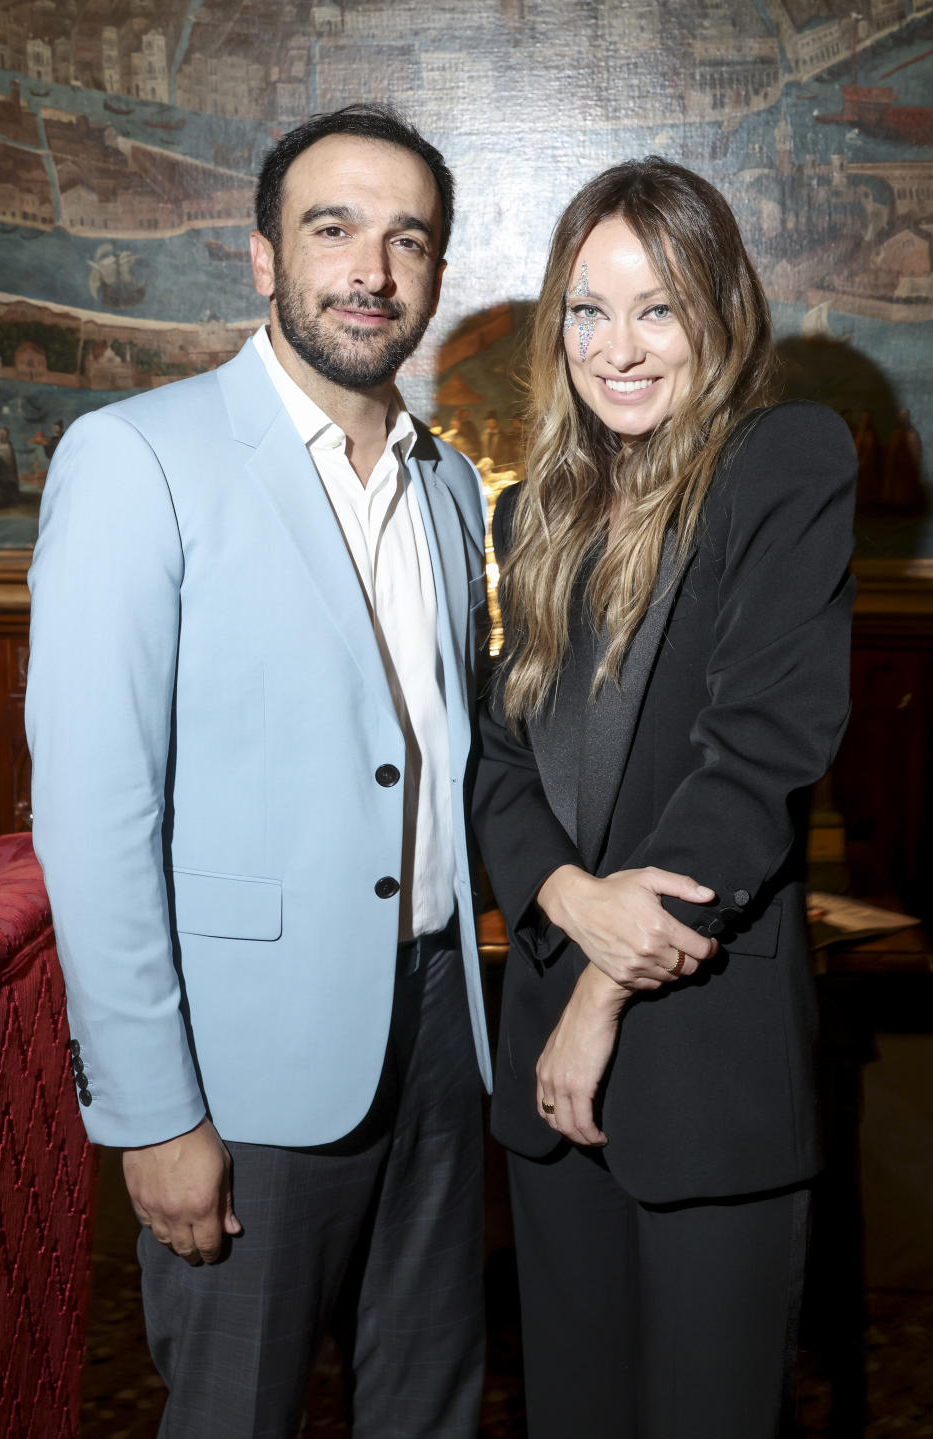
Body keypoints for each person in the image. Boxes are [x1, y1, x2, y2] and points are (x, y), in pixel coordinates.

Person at [27, 103, 492, 1439]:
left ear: (437, 271)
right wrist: (153, 1111)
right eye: (332, 228)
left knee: (432, 1403)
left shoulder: (448, 484)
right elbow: (96, 816)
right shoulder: (137, 459)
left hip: (441, 1033)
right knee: (236, 1410)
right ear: (259, 255)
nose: (372, 271)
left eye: (409, 238)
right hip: (245, 1069)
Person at [472, 156, 856, 1439]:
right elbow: (496, 760)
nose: (618, 348)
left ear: (720, 312)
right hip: (545, 1077)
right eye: (589, 309)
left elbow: (756, 758)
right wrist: (567, 897)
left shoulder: (782, 461)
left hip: (701, 1062)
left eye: (659, 307)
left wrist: (595, 999)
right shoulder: (538, 510)